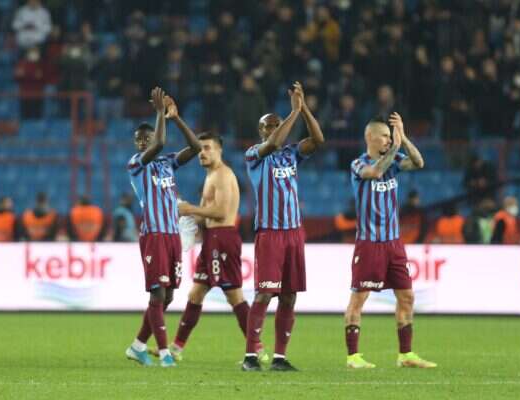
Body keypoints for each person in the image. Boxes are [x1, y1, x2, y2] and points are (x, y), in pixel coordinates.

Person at [242, 82, 324, 371]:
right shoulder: (254, 154)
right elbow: (274, 143)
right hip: (269, 233)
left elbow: (318, 139)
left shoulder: (292, 154)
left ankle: (279, 358)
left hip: (293, 233)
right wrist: (293, 113)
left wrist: (304, 110)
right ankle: (250, 356)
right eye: (268, 126)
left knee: (289, 296)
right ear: (260, 131)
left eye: (276, 125)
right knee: (265, 293)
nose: (273, 129)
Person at [164, 132, 267, 362]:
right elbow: (205, 215)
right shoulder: (211, 176)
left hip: (223, 239)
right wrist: (186, 220)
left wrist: (190, 209)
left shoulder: (222, 175)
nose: (202, 153)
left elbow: (221, 212)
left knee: (234, 296)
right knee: (196, 293)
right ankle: (177, 348)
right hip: (212, 239)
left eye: (207, 148)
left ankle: (257, 349)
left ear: (219, 150)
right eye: (200, 149)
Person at [344, 112, 436, 369]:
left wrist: (402, 138)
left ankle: (405, 354)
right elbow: (374, 172)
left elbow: (418, 162)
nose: (388, 139)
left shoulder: (395, 160)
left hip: (394, 244)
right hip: (369, 243)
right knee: (359, 299)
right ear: (371, 137)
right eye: (384, 135)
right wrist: (395, 147)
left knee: (407, 297)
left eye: (389, 135)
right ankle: (353, 357)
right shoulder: (358, 164)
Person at [124, 87, 201, 368]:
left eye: (145, 138)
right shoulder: (136, 164)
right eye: (139, 140)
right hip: (154, 234)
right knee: (157, 293)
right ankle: (165, 353)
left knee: (167, 295)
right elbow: (158, 144)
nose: (143, 142)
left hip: (172, 235)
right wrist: (159, 114)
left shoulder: (167, 163)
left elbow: (196, 148)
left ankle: (137, 346)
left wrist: (175, 118)